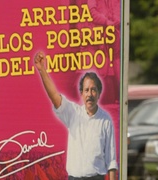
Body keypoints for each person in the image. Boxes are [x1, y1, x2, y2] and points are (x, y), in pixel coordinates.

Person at [34, 51, 118, 180]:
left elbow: (111, 160)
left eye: (93, 90)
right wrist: (42, 70)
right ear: (81, 93)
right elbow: (55, 97)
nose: (90, 94)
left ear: (99, 93)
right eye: (86, 90)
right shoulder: (73, 113)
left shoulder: (105, 120)